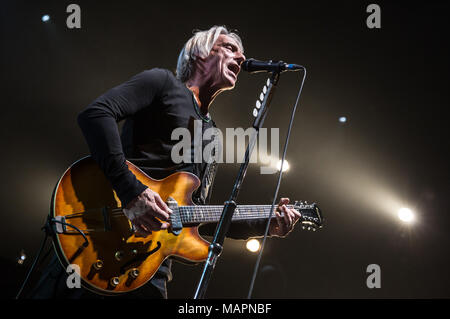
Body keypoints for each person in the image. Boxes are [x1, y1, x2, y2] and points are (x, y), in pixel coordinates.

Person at [29, 25, 301, 299]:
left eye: (241, 53)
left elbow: (195, 214)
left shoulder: (212, 134)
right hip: (100, 240)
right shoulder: (162, 83)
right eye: (230, 48)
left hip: (149, 269)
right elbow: (95, 115)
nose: (242, 58)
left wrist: (265, 224)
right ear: (200, 52)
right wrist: (132, 192)